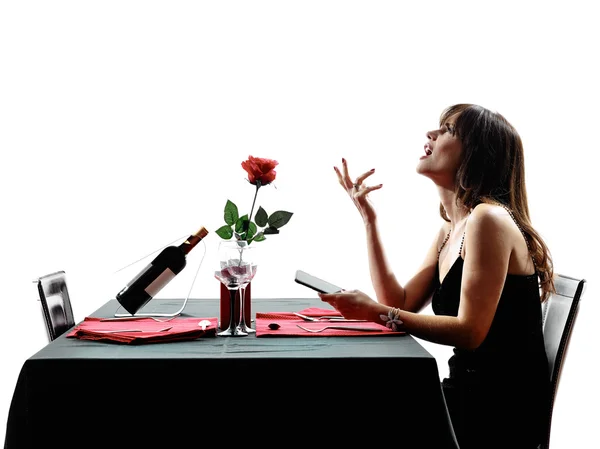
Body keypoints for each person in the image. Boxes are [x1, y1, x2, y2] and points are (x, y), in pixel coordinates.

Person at [320, 103, 554, 449]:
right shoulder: (451, 228)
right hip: (468, 395)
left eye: (448, 130)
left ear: (477, 155)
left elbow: (471, 333)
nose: (431, 134)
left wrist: (375, 313)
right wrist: (369, 220)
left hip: (496, 414)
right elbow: (398, 302)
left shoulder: (488, 220)